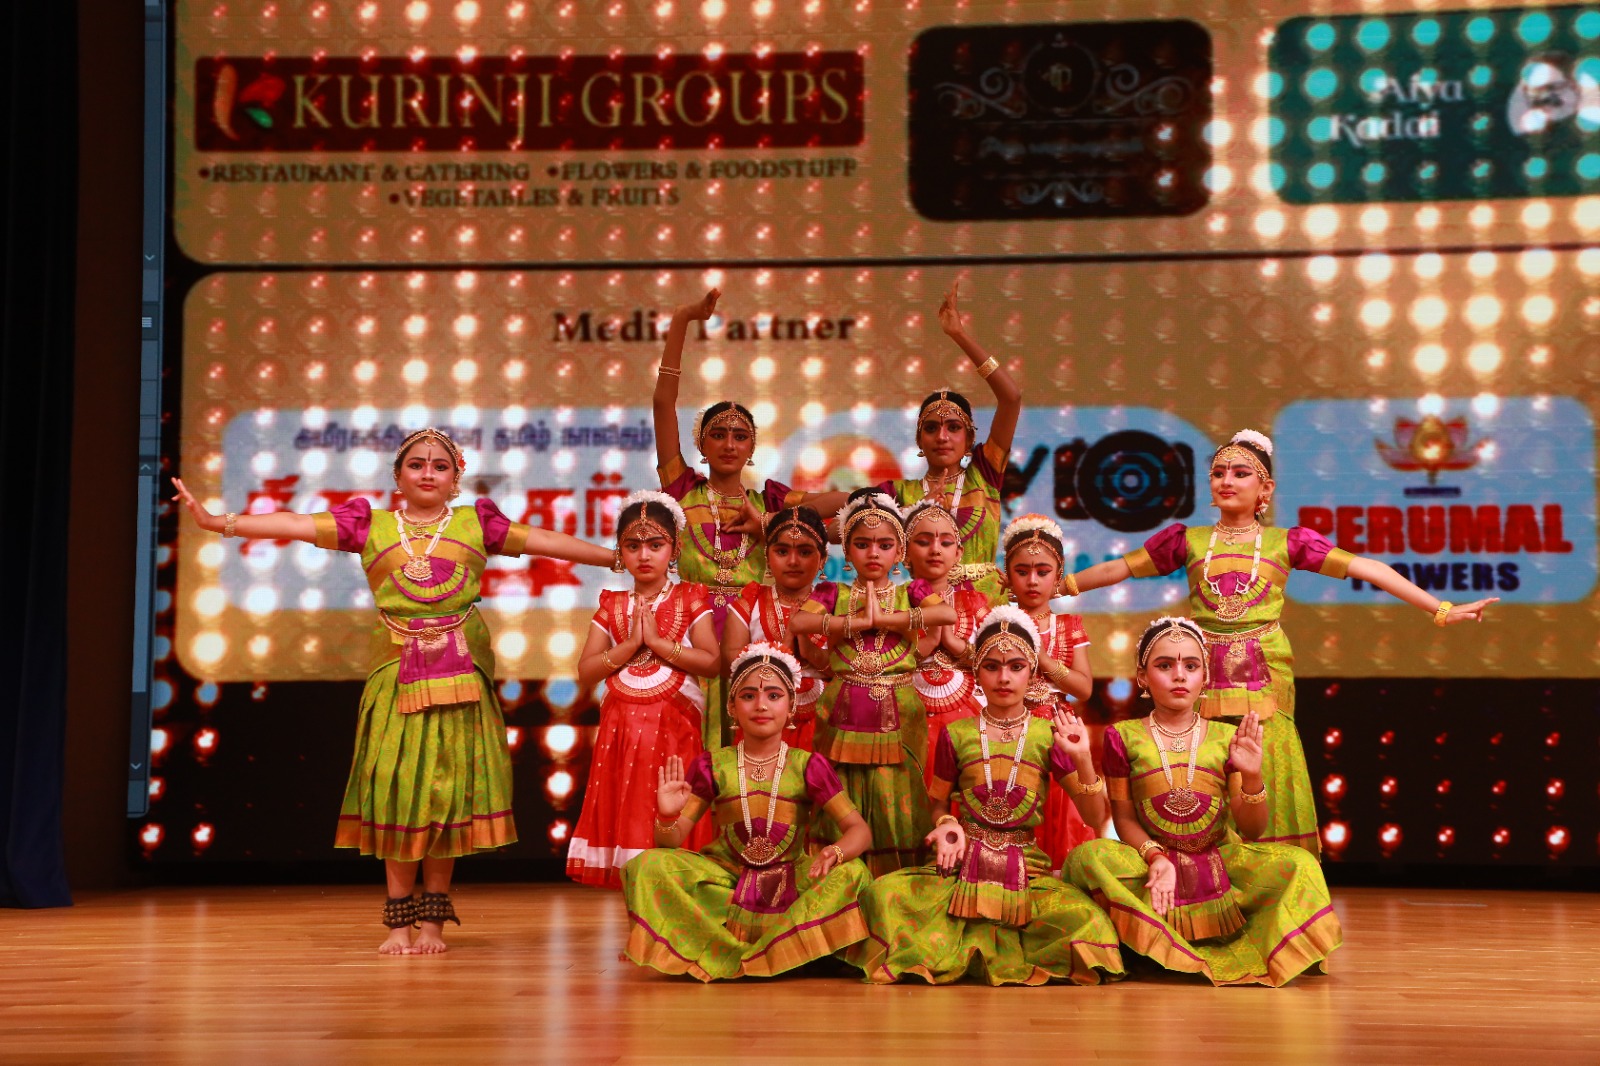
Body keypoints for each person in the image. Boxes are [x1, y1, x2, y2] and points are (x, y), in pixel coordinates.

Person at [172, 428, 617, 954]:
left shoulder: (478, 523)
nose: (428, 472)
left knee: (446, 793)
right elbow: (292, 524)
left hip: (460, 673)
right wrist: (218, 522)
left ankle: (432, 924)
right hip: (397, 672)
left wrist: (615, 559)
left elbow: (548, 541)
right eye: (417, 464)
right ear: (398, 476)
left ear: (455, 480)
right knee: (400, 789)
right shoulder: (372, 526)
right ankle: (397, 923)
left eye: (440, 466)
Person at [1062, 429, 1496, 854]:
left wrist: (1439, 608)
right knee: (1199, 760)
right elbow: (1116, 569)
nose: (1227, 481)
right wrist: (1059, 587)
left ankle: (1269, 869)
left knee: (1260, 759)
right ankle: (1196, 861)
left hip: (1264, 674)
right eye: (1218, 473)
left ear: (1265, 487)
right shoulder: (1189, 541)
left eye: (1240, 473)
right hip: (1201, 673)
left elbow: (1368, 569)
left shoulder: (1286, 543)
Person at [843, 607, 1124, 986]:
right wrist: (946, 826)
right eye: (991, 666)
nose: (1004, 677)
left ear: (1033, 672)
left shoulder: (1047, 735)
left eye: (1016, 666)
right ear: (976, 672)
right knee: (883, 895)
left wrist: (1084, 759)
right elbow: (939, 803)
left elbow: (1093, 817)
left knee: (1089, 922)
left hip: (1028, 868)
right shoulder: (957, 734)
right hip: (961, 865)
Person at [1067, 617, 1343, 986]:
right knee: (1088, 857)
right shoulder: (1124, 736)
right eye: (1165, 665)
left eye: (1191, 666)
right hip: (1150, 863)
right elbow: (1124, 819)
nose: (1179, 675)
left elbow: (1251, 828)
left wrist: (1253, 776)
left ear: (1205, 678)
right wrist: (1156, 858)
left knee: (1299, 863)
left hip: (1219, 862)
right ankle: (1150, 941)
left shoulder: (1226, 737)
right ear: (1142, 677)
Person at [652, 288, 846, 751]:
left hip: (758, 630)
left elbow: (848, 507)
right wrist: (682, 321)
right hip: (691, 630)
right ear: (701, 444)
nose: (729, 444)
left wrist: (771, 524)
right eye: (717, 435)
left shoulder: (771, 499)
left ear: (752, 447)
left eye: (740, 436)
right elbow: (663, 404)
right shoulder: (683, 489)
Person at [621, 643, 874, 980]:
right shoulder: (713, 764)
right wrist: (667, 816)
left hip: (792, 880)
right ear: (732, 706)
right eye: (748, 696)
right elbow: (670, 840)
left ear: (791, 706)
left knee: (852, 873)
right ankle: (784, 950)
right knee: (646, 866)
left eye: (773, 695)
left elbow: (860, 830)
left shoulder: (808, 765)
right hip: (728, 879)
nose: (761, 706)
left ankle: (749, 952)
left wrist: (835, 851)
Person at [790, 488, 955, 876]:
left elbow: (945, 614)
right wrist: (853, 623)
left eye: (884, 545)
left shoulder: (911, 591)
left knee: (895, 789)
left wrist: (887, 620)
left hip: (899, 705)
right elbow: (799, 622)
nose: (873, 553)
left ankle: (895, 879)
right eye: (862, 544)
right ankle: (841, 871)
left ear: (899, 552)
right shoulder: (833, 591)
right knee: (840, 785)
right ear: (847, 552)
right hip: (844, 699)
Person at [567, 490, 720, 889]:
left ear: (675, 549)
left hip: (677, 728)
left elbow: (712, 662)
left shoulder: (690, 598)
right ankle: (641, 930)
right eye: (632, 546)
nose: (644, 555)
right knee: (630, 821)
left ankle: (677, 924)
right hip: (621, 736)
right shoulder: (612, 605)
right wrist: (631, 645)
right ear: (619, 552)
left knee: (673, 813)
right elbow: (585, 672)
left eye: (655, 545)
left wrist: (660, 644)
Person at [877, 282, 1022, 605]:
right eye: (932, 428)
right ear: (919, 439)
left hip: (986, 613)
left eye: (953, 427)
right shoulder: (898, 493)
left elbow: (1011, 398)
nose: (942, 437)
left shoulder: (984, 475)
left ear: (970, 438)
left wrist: (960, 336)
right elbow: (852, 531)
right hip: (922, 609)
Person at [1001, 514, 1097, 872]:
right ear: (1007, 574)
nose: (1032, 580)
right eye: (1022, 570)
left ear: (1059, 575)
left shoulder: (1068, 624)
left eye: (1043, 570)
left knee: (1059, 815)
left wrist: (1038, 655)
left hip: (1057, 732)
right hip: (1006, 728)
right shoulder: (996, 622)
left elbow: (1084, 688)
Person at [721, 505, 831, 752]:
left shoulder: (838, 601)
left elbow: (847, 665)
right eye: (782, 551)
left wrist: (810, 650)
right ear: (767, 556)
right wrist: (786, 645)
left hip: (827, 721)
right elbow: (733, 665)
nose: (793, 561)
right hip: (762, 721)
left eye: (805, 552)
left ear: (823, 558)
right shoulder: (750, 602)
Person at [902, 499, 989, 790]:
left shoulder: (975, 603)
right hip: (905, 715)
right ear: (904, 552)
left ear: (958, 553)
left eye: (946, 542)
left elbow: (992, 662)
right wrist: (927, 643)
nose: (936, 549)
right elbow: (880, 663)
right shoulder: (894, 602)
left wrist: (953, 643)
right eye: (924, 541)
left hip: (967, 716)